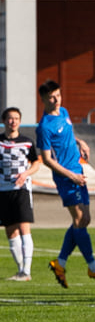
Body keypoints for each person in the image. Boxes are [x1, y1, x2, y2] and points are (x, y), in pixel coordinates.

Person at [38, 80, 95, 287]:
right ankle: (93, 267)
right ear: (44, 100)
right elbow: (47, 159)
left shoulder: (63, 112)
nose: (56, 100)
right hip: (67, 177)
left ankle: (60, 262)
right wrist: (70, 176)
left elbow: (67, 135)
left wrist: (79, 142)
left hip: (77, 171)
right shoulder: (44, 127)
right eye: (52, 98)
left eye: (58, 95)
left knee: (84, 220)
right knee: (80, 218)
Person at [1, 107, 41, 281]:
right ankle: (20, 271)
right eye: (10, 118)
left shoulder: (27, 142)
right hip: (3, 190)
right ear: (4, 121)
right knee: (10, 231)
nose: (13, 121)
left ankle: (27, 270)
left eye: (16, 118)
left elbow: (36, 162)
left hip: (22, 190)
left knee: (24, 227)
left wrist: (25, 174)